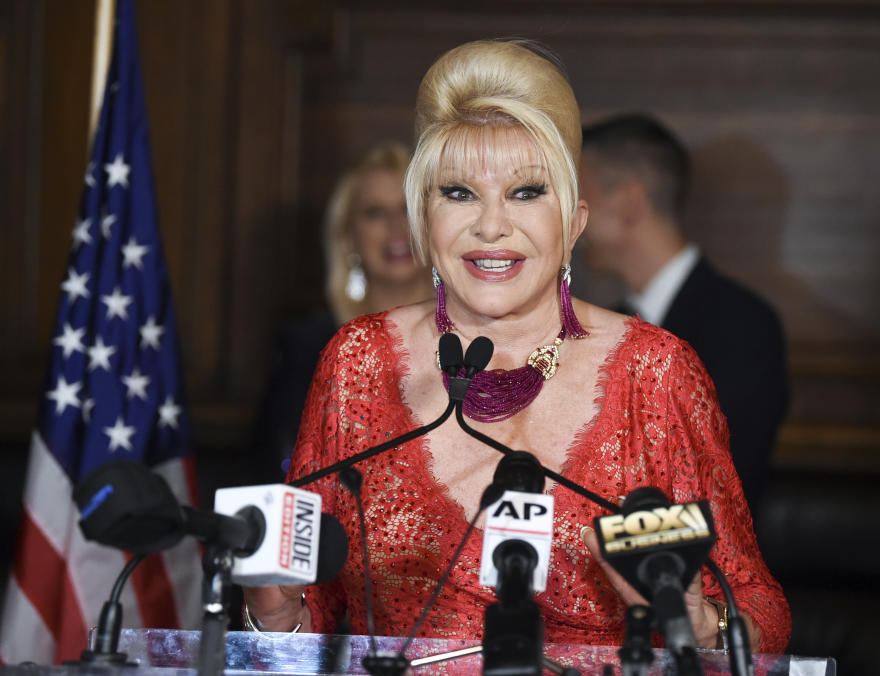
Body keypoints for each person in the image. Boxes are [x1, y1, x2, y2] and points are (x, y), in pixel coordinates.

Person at [243, 39, 790, 653]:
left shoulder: (654, 372)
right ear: (423, 218)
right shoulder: (358, 363)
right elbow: (307, 623)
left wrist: (705, 624)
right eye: (458, 193)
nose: (491, 225)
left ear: (574, 221)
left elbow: (760, 610)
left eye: (527, 192)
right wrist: (271, 612)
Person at [579, 114, 789, 515]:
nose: (571, 221)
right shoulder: (608, 326)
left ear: (627, 202)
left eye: (580, 200)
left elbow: (719, 494)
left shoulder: (743, 326)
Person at [254, 142, 434, 473]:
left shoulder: (477, 341)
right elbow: (282, 469)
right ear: (348, 237)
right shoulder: (308, 348)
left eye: (408, 208)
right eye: (375, 212)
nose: (397, 227)